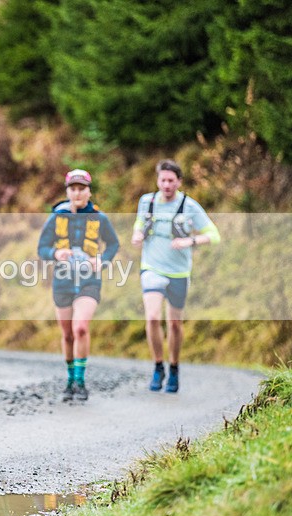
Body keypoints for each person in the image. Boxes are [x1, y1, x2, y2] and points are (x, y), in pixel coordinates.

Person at [131, 159, 220, 393]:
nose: (167, 184)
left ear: (179, 182)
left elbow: (213, 235)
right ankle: (158, 365)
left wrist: (189, 241)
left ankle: (174, 367)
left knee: (175, 323)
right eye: (163, 180)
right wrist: (137, 235)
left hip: (179, 272)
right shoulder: (147, 201)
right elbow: (139, 224)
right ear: (157, 180)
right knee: (152, 317)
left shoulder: (189, 206)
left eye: (172, 180)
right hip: (151, 267)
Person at [38, 169, 120, 402]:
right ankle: (70, 379)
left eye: (81, 188)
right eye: (72, 189)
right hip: (62, 281)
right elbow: (41, 249)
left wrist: (101, 260)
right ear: (67, 191)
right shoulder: (56, 217)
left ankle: (81, 381)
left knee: (80, 327)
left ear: (88, 191)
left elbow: (113, 244)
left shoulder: (99, 217)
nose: (77, 193)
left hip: (88, 281)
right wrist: (56, 253)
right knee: (67, 334)